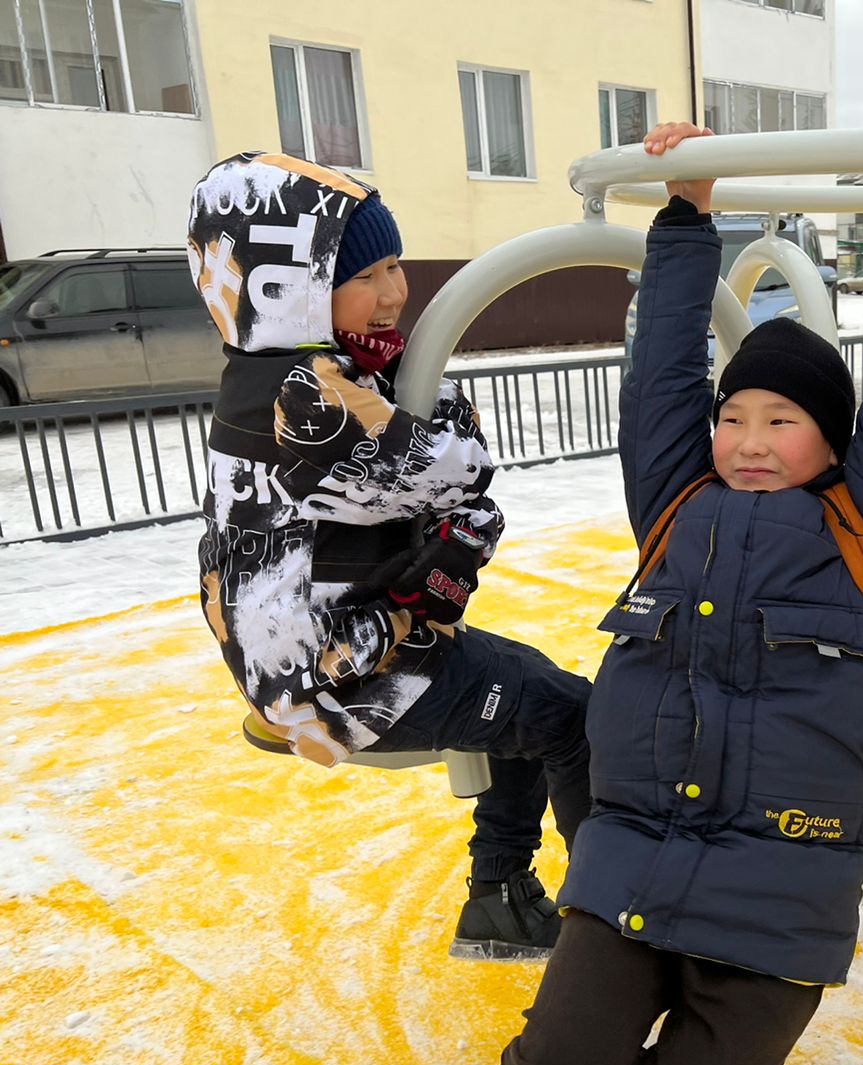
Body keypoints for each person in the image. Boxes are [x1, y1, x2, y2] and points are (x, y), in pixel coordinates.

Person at [466, 107, 863, 1065]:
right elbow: (657, 386)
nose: (744, 440)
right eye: (734, 415)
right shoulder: (675, 505)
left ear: (833, 440)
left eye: (779, 420)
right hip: (636, 850)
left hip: (778, 889)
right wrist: (686, 216)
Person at [188, 152, 591, 956]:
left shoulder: (287, 373)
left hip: (337, 644)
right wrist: (437, 434)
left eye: (397, 263)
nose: (397, 292)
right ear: (291, 284)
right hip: (332, 678)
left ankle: (502, 896)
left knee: (533, 690)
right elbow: (459, 469)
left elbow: (448, 484)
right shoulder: (303, 397)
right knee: (574, 717)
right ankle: (610, 928)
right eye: (368, 273)